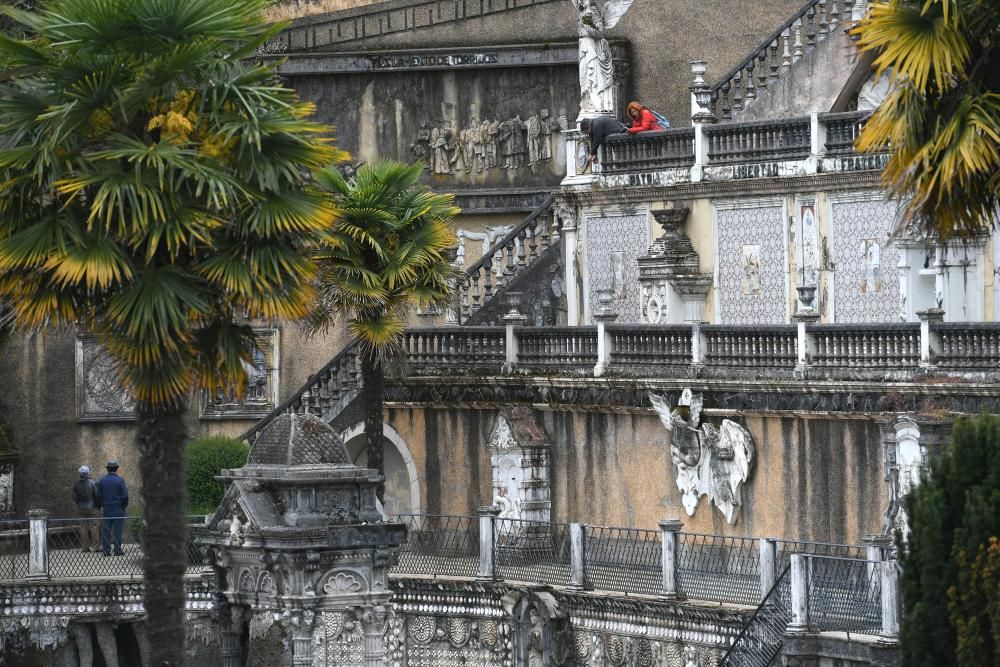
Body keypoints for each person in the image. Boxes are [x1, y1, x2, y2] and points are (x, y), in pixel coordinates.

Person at [97, 458, 128, 557]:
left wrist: (101, 505)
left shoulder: (102, 480)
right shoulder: (120, 480)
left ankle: (106, 551)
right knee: (117, 530)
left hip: (107, 508)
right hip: (118, 507)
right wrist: (123, 506)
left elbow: (98, 495)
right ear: (117, 468)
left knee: (106, 530)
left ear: (107, 469)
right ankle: (117, 551)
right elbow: (125, 496)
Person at [72, 465, 100, 552]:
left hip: (81, 507)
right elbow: (97, 495)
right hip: (93, 508)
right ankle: (95, 547)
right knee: (94, 526)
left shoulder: (76, 484)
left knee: (83, 527)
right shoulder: (93, 483)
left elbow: (74, 498)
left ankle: (85, 547)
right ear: (88, 473)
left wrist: (79, 503)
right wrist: (98, 505)